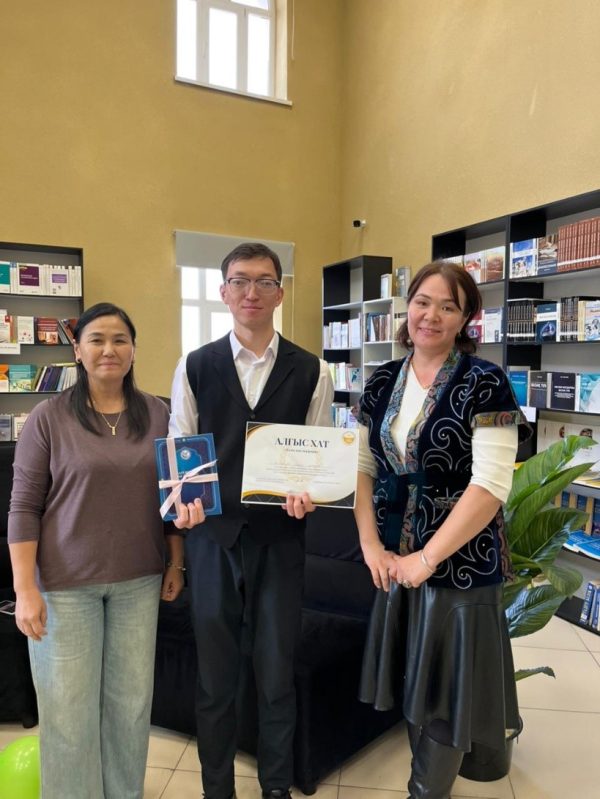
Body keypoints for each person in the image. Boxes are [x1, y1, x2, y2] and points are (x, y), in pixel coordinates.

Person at [353, 261, 531, 799]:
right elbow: (362, 467)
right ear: (406, 308)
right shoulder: (381, 380)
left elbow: (491, 485)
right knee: (414, 679)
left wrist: (426, 559)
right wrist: (370, 547)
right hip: (392, 558)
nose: (431, 316)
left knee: (446, 694)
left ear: (466, 317)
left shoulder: (487, 382)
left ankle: (425, 792)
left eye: (448, 306)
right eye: (422, 302)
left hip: (460, 566)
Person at [169, 242, 334, 799]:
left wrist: (311, 494)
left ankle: (276, 788)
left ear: (280, 293)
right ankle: (217, 790)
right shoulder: (195, 365)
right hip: (212, 540)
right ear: (223, 292)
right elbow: (179, 445)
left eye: (264, 281)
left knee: (276, 674)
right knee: (215, 678)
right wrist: (183, 504)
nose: (251, 292)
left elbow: (319, 454)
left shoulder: (312, 370)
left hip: (281, 540)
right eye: (240, 281)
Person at [8, 302, 187, 799]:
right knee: (68, 714)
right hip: (64, 588)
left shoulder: (159, 413)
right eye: (97, 340)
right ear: (78, 351)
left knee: (130, 708)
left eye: (120, 340)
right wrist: (25, 590)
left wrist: (176, 561)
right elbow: (23, 507)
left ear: (133, 350)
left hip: (139, 582)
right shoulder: (47, 418)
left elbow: (171, 497)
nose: (109, 350)